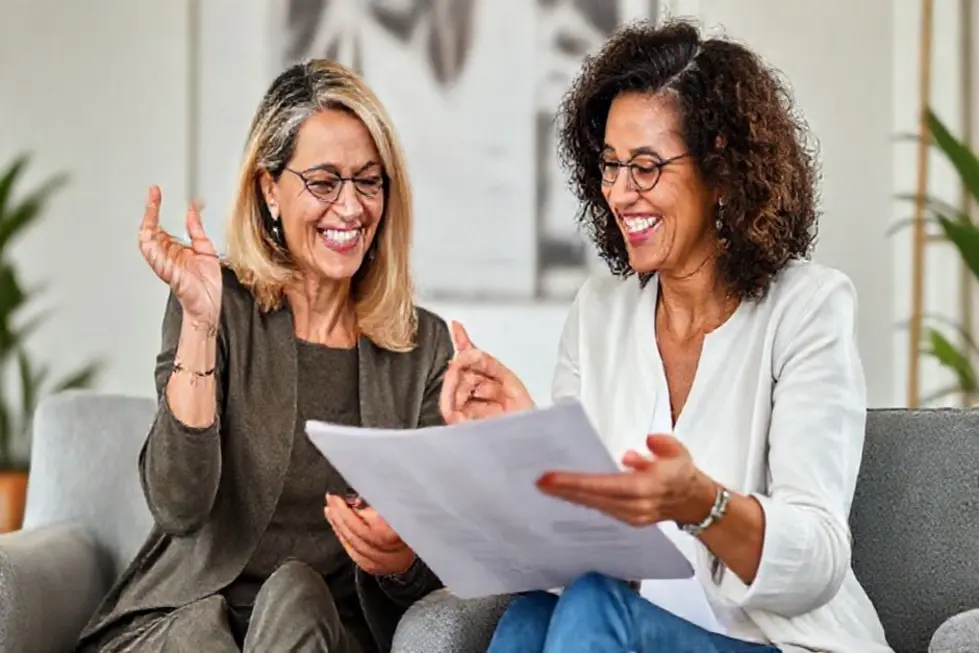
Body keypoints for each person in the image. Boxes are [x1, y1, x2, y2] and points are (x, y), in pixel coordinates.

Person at [439, 19, 894, 653]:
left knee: (597, 605)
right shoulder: (600, 312)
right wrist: (522, 440)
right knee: (527, 620)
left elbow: (817, 558)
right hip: (629, 632)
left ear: (721, 171)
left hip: (775, 644)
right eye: (611, 166)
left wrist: (702, 504)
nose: (620, 193)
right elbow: (581, 543)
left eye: (647, 168)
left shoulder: (808, 309)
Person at [76, 59, 453, 653]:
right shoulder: (215, 304)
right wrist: (201, 325)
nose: (351, 209)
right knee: (205, 636)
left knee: (298, 592)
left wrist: (399, 554)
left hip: (321, 632)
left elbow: (434, 568)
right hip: (185, 624)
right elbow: (178, 504)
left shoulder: (422, 348)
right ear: (269, 189)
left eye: (369, 180)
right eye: (324, 182)